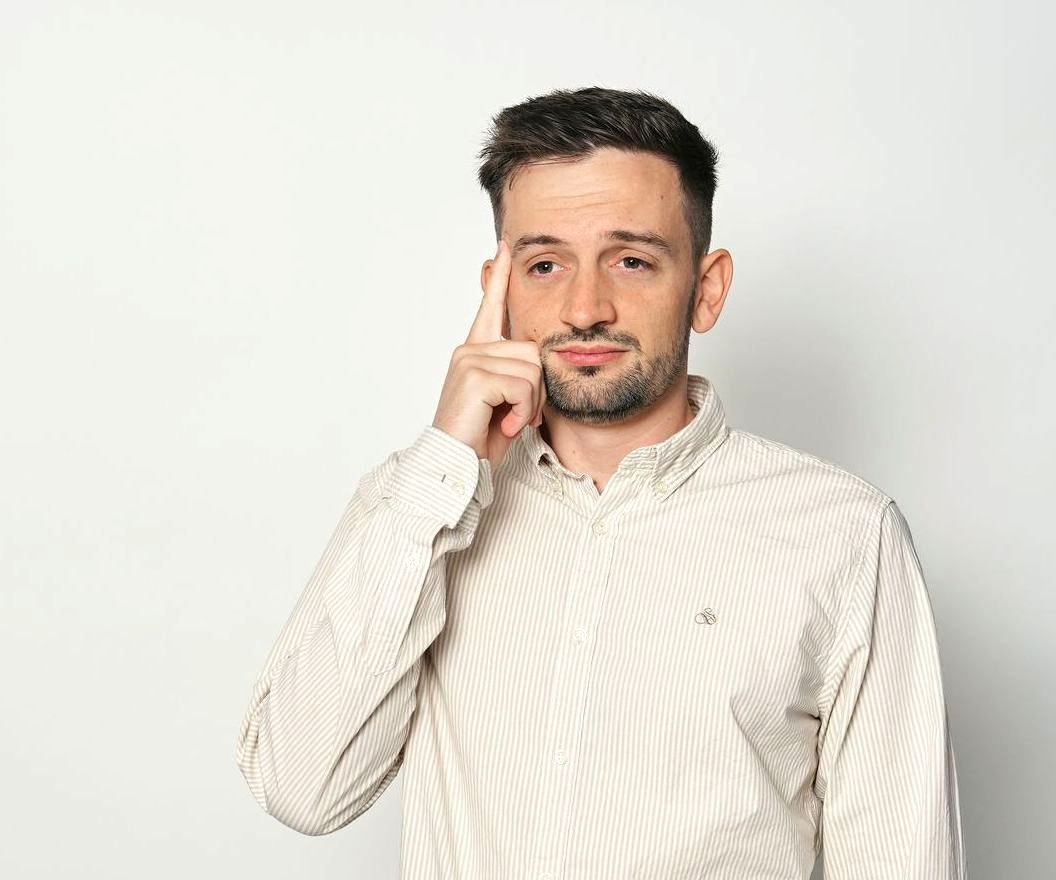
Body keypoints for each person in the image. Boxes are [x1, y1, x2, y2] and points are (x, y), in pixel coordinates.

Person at [234, 86, 966, 879]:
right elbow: (303, 788)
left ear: (706, 288)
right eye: (544, 264)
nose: (584, 308)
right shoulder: (414, 505)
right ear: (496, 289)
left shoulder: (844, 533)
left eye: (631, 260)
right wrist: (445, 468)